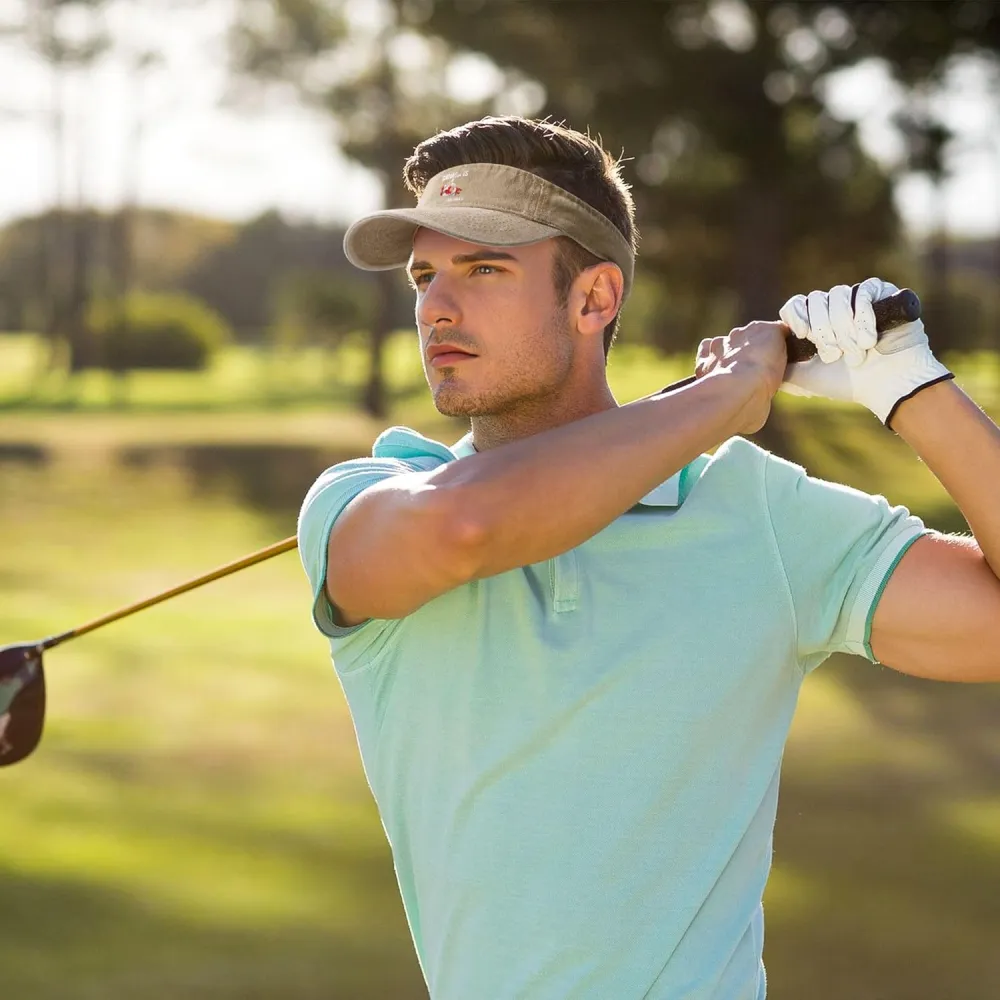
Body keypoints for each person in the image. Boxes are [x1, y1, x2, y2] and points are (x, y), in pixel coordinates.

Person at [297, 116, 1000, 1000]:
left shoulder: (757, 513)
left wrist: (913, 391)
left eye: (483, 270)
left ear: (594, 299)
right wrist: (727, 397)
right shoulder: (366, 496)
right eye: (424, 276)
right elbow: (464, 529)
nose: (436, 306)